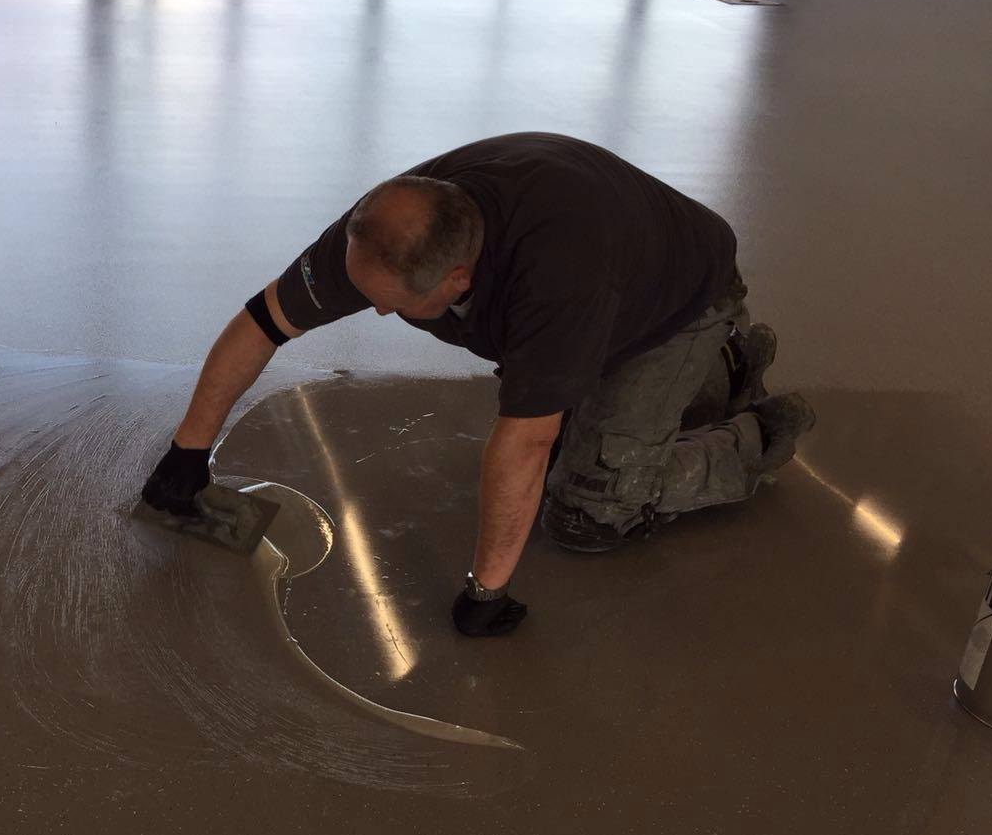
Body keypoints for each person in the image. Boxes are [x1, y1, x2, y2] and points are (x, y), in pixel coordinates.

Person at [140, 133, 815, 638]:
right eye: (367, 294)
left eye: (395, 305)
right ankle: (710, 374)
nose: (376, 313)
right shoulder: (386, 230)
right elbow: (262, 323)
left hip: (677, 303)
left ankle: (753, 428)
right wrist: (187, 453)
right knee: (568, 425)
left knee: (587, 511)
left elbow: (526, 440)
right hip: (612, 280)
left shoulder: (554, 282)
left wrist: (486, 592)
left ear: (459, 278)